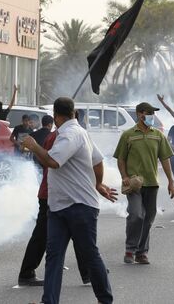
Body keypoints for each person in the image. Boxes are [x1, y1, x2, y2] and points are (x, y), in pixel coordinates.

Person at [22, 97, 116, 304]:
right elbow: (98, 161)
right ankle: (49, 301)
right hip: (58, 206)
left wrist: (33, 146)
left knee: (89, 253)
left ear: (56, 116)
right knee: (54, 257)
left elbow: (53, 161)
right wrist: (98, 183)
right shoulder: (78, 132)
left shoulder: (70, 134)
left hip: (79, 206)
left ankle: (105, 299)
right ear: (73, 112)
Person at [114, 102, 174, 264]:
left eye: (152, 113)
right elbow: (121, 159)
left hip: (152, 183)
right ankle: (130, 249)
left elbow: (165, 159)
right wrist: (124, 176)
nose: (151, 116)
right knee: (136, 215)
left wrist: (171, 182)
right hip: (134, 184)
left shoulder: (158, 135)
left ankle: (141, 252)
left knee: (148, 218)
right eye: (149, 113)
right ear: (140, 114)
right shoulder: (128, 135)